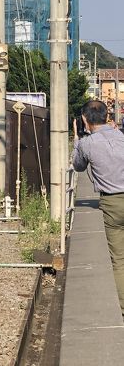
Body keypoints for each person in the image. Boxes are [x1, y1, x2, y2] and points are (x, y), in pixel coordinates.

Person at [72, 100, 124, 316]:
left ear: (85, 119)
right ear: (107, 116)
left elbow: (78, 166)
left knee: (119, 259)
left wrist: (77, 140)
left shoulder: (87, 143)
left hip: (112, 203)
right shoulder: (121, 136)